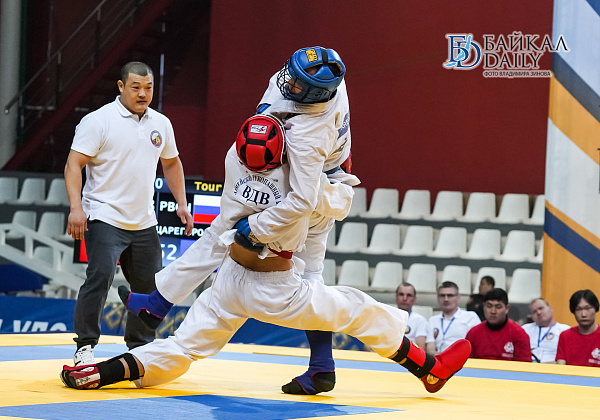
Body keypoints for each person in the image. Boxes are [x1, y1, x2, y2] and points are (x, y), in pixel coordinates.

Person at [61, 114, 472, 395]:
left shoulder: (238, 160)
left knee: (183, 348)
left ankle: (102, 370)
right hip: (274, 290)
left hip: (228, 282)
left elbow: (275, 114)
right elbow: (333, 208)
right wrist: (337, 168)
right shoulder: (312, 191)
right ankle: (428, 369)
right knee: (358, 308)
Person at [107, 47, 357, 395]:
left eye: (298, 85)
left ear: (314, 95)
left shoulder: (309, 135)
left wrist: (258, 227)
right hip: (324, 186)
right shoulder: (327, 82)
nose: (289, 82)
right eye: (292, 74)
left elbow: (302, 199)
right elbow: (272, 103)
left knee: (223, 234)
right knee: (309, 273)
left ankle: (157, 304)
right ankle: (322, 365)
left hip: (313, 194)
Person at [63, 61, 193, 366]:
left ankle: (139, 347)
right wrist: (76, 208)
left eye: (148, 87)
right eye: (136, 87)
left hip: (144, 220)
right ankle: (85, 346)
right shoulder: (99, 121)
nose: (143, 94)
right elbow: (73, 164)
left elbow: (171, 163)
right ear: (121, 87)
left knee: (150, 287)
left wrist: (182, 203)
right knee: (100, 277)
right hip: (104, 215)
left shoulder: (161, 123)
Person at [465, 288, 531, 361]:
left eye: (498, 307)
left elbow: (524, 366)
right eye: (489, 306)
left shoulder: (519, 334)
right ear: (483, 307)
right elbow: (466, 364)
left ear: (507, 309)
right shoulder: (473, 333)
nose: (493, 311)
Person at [426, 281, 480, 355]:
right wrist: (442, 359)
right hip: (439, 359)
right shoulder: (432, 320)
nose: (446, 299)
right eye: (442, 295)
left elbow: (477, 345)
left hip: (464, 359)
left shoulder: (470, 317)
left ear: (458, 298)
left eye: (450, 295)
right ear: (438, 298)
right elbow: (430, 348)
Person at [556, 290, 600, 367]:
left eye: (588, 308)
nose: (583, 314)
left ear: (595, 308)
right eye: (578, 309)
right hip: (570, 374)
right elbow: (560, 367)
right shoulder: (565, 336)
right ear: (573, 311)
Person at [521, 298, 570, 363]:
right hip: (528, 366)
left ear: (550, 308)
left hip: (553, 367)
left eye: (541, 308)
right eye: (534, 311)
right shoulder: (525, 329)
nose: (538, 312)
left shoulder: (564, 330)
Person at [395, 282, 428, 347]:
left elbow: (420, 348)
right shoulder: (387, 317)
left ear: (414, 299)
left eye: (409, 295)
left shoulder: (420, 320)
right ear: (396, 297)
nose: (404, 298)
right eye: (401, 294)